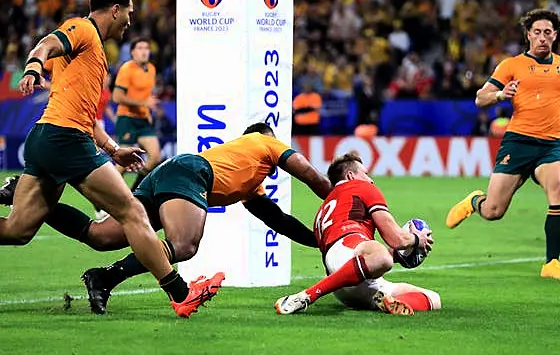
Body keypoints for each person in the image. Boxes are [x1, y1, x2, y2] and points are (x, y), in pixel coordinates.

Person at [0, 0, 220, 318]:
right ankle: (181, 293)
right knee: (132, 213)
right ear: (115, 9)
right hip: (66, 139)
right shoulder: (83, 30)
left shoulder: (90, 52)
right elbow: (45, 45)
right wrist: (32, 68)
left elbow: (85, 112)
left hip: (48, 138)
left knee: (17, 230)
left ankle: (14, 191)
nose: (129, 23)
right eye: (129, 14)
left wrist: (112, 148)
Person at [2, 123, 332, 315]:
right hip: (190, 173)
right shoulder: (264, 142)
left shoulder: (250, 182)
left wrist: (322, 242)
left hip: (170, 172)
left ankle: (24, 195)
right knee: (185, 244)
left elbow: (280, 221)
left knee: (102, 236)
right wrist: (339, 201)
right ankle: (107, 277)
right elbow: (310, 175)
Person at [445, 9, 560, 281]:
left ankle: (551, 263)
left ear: (555, 36)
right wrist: (502, 94)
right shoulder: (511, 65)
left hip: (550, 145)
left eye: (547, 32)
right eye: (536, 32)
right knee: (493, 212)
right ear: (528, 35)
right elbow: (481, 98)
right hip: (518, 143)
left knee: (558, 188)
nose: (542, 38)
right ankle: (474, 201)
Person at [275, 152, 441, 316]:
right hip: (347, 259)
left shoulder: (324, 209)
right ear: (350, 176)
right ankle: (307, 296)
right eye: (366, 174)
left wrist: (400, 255)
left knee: (433, 299)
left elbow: (361, 257)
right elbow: (397, 239)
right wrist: (417, 239)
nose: (371, 180)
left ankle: (385, 302)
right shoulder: (363, 188)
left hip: (343, 285)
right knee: (382, 257)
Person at [112, 38, 162, 194]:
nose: (144, 51)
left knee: (154, 157)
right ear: (132, 52)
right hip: (127, 118)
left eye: (146, 48)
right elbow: (117, 97)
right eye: (140, 48)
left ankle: (135, 194)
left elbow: (147, 96)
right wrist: (143, 104)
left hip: (143, 120)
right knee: (122, 164)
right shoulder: (127, 69)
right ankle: (103, 202)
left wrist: (148, 111)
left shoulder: (152, 69)